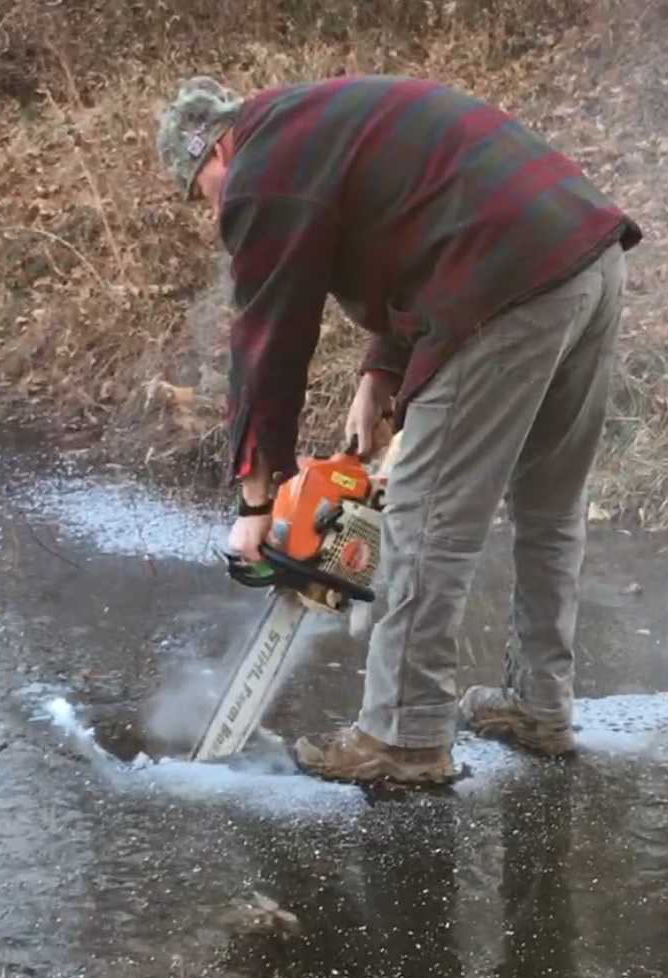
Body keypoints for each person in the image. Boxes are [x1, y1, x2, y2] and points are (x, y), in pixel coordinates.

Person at [156, 74, 641, 784]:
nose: (216, 210)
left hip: (501, 287)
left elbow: (269, 338)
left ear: (214, 150)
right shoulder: (315, 124)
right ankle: (540, 703)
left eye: (204, 192)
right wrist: (379, 374)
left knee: (423, 515)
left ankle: (403, 735)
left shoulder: (261, 174)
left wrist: (258, 501)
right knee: (549, 506)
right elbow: (423, 220)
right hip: (583, 259)